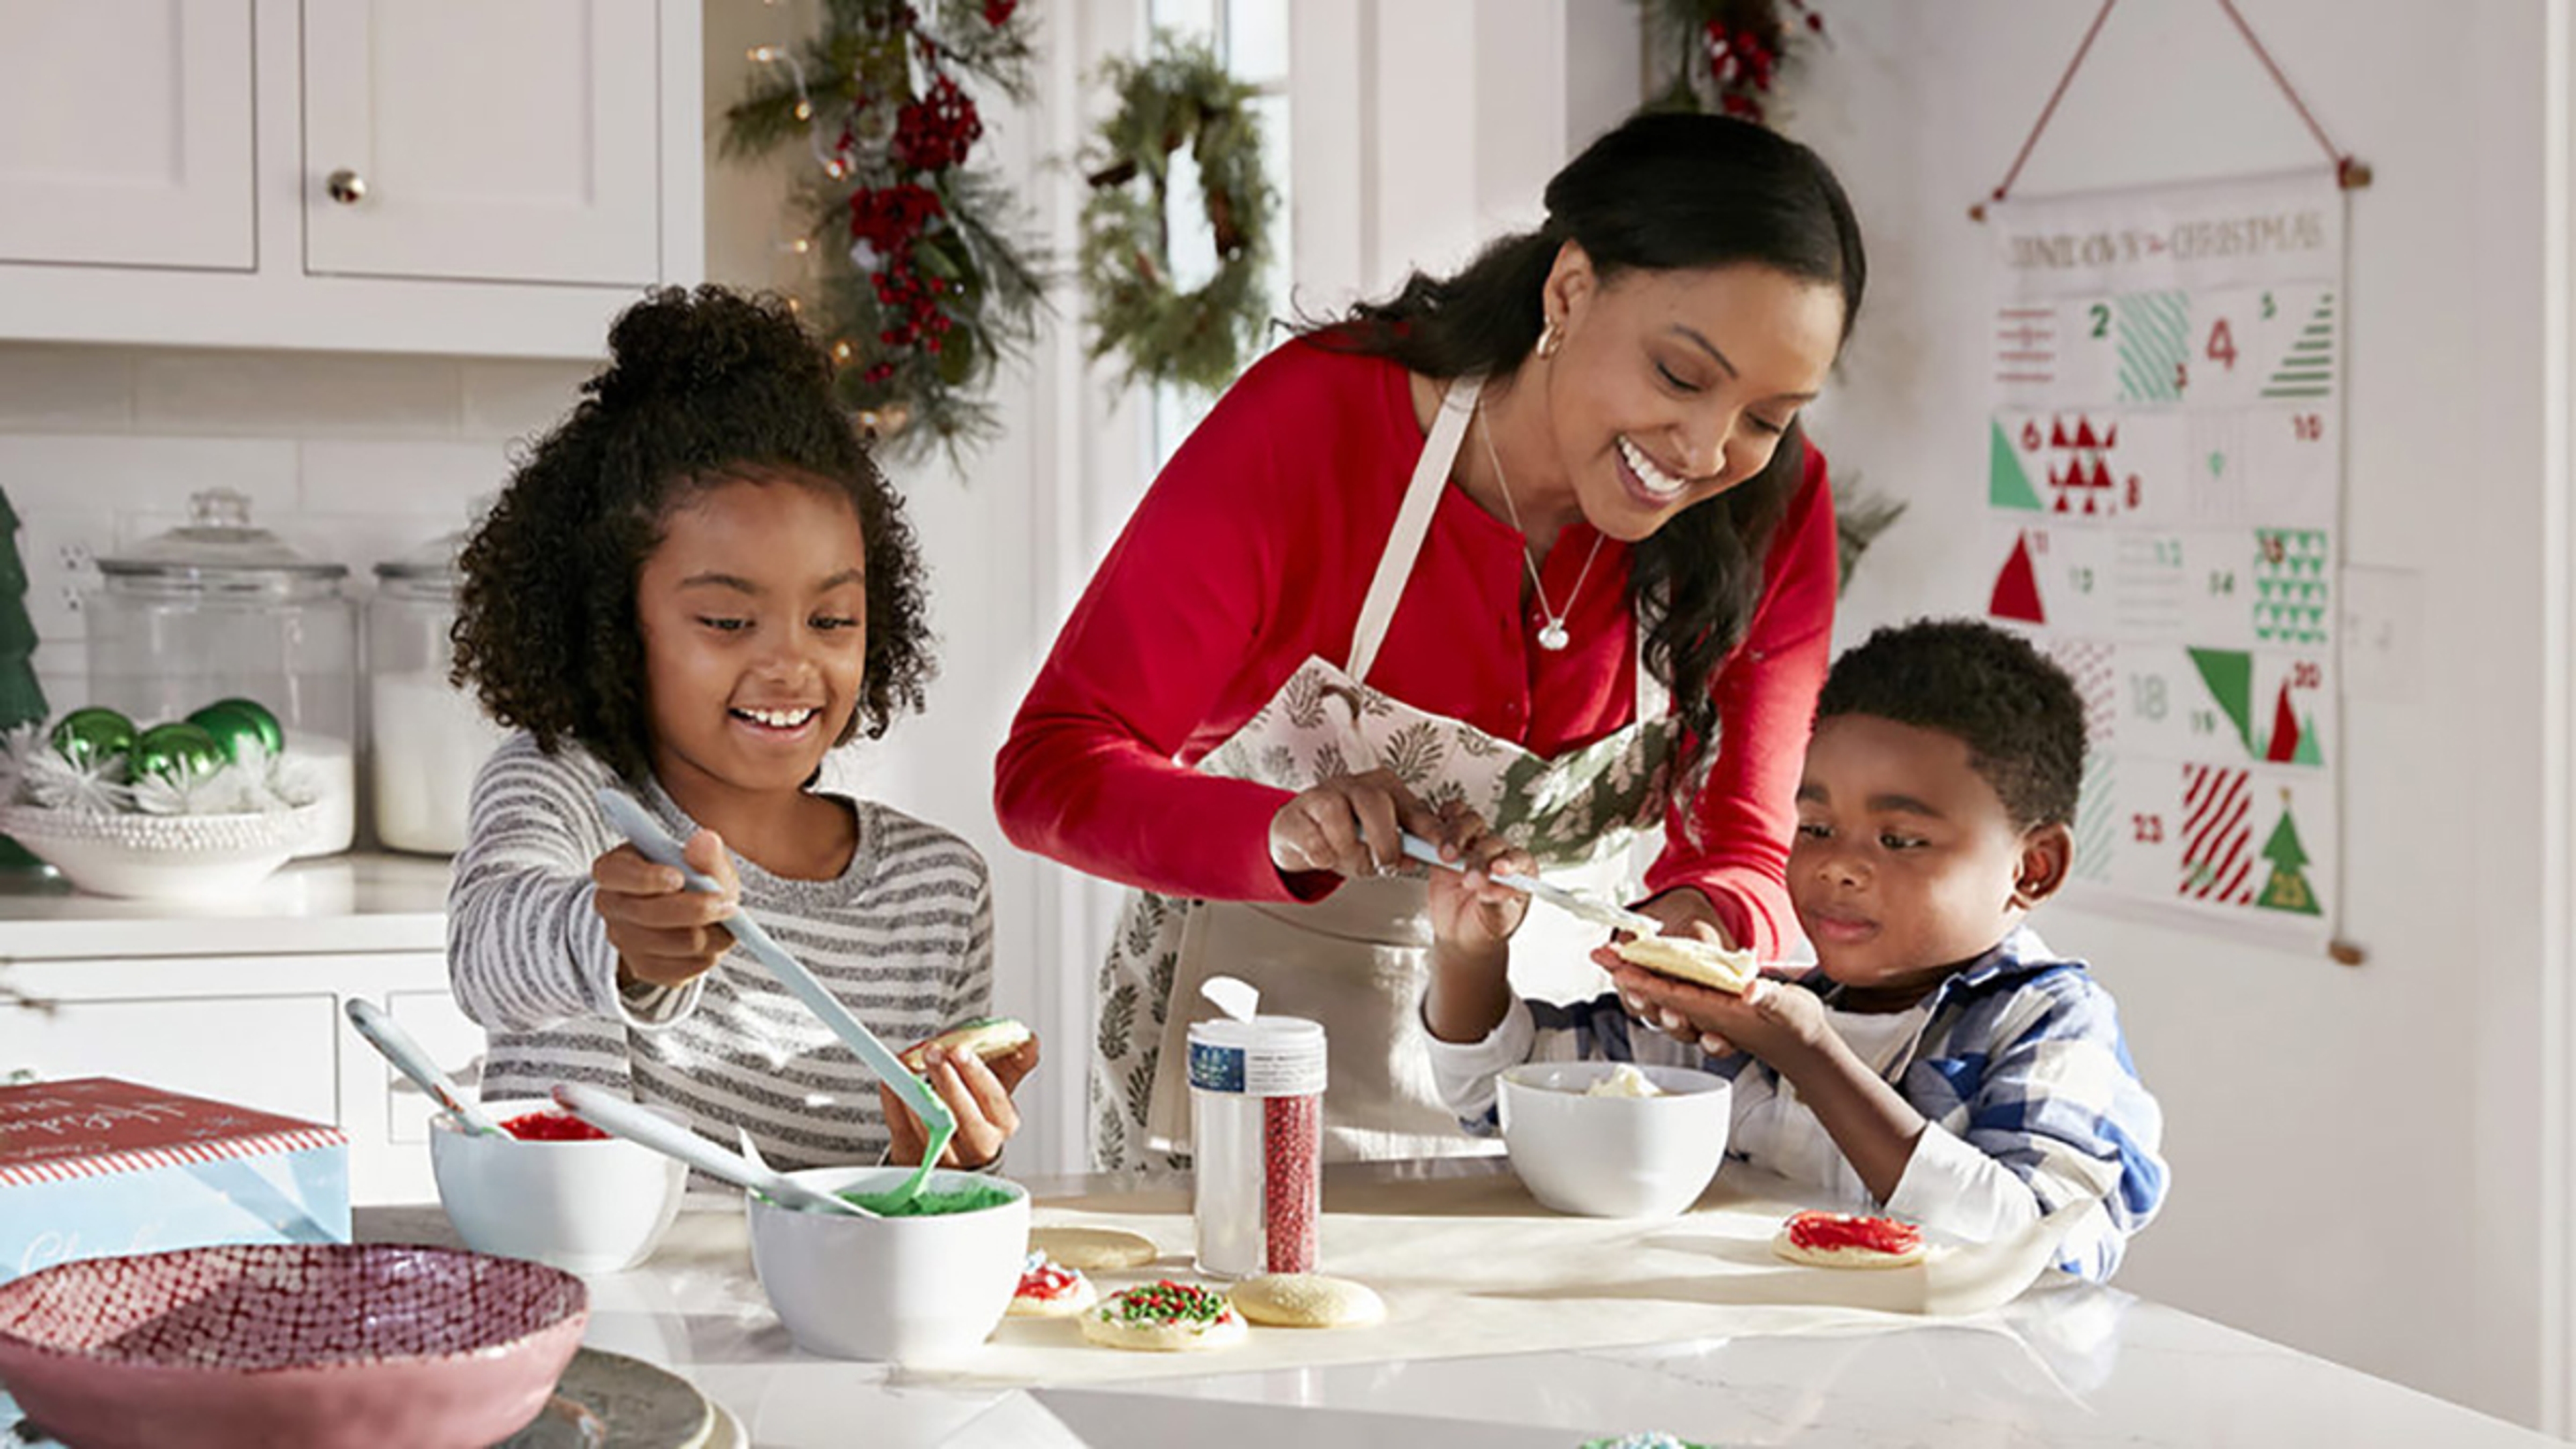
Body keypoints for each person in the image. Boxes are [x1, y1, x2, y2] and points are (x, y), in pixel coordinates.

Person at [996, 111, 1866, 1167]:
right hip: (1250, 1061)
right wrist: (1284, 830)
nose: (1705, 449)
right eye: (1681, 378)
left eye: (1769, 416)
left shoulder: (1771, 505)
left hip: (1547, 1090)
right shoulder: (1322, 417)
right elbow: (1050, 768)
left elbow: (1748, 851)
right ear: (1569, 290)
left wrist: (1704, 924)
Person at [447, 285, 1037, 1175]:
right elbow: (487, 955)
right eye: (727, 623)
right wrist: (616, 935)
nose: (791, 665)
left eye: (832, 621)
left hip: (817, 1313)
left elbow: (888, 1208)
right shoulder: (569, 791)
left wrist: (937, 1166)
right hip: (591, 1307)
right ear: (613, 621)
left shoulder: (937, 892)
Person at [1424, 619, 2169, 1281]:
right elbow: (1498, 1093)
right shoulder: (1745, 1025)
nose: (1838, 866)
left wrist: (1810, 1055)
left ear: (2031, 868)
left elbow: (2042, 1249)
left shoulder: (2047, 1026)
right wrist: (1469, 954)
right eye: (1814, 828)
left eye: (1900, 840)